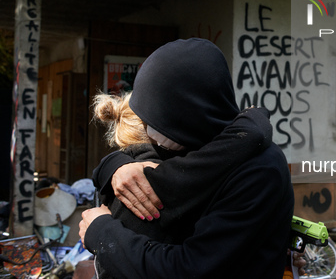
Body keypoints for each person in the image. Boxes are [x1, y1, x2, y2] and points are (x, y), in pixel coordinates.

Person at [79, 38, 295, 279]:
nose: (148, 132)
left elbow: (192, 270)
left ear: (189, 116)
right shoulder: (183, 144)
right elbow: (117, 162)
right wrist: (118, 167)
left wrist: (104, 234)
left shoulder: (259, 172)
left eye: (156, 122)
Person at [90, 91, 274, 278]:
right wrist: (255, 116)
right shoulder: (175, 175)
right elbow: (187, 267)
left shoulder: (117, 181)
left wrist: (111, 166)